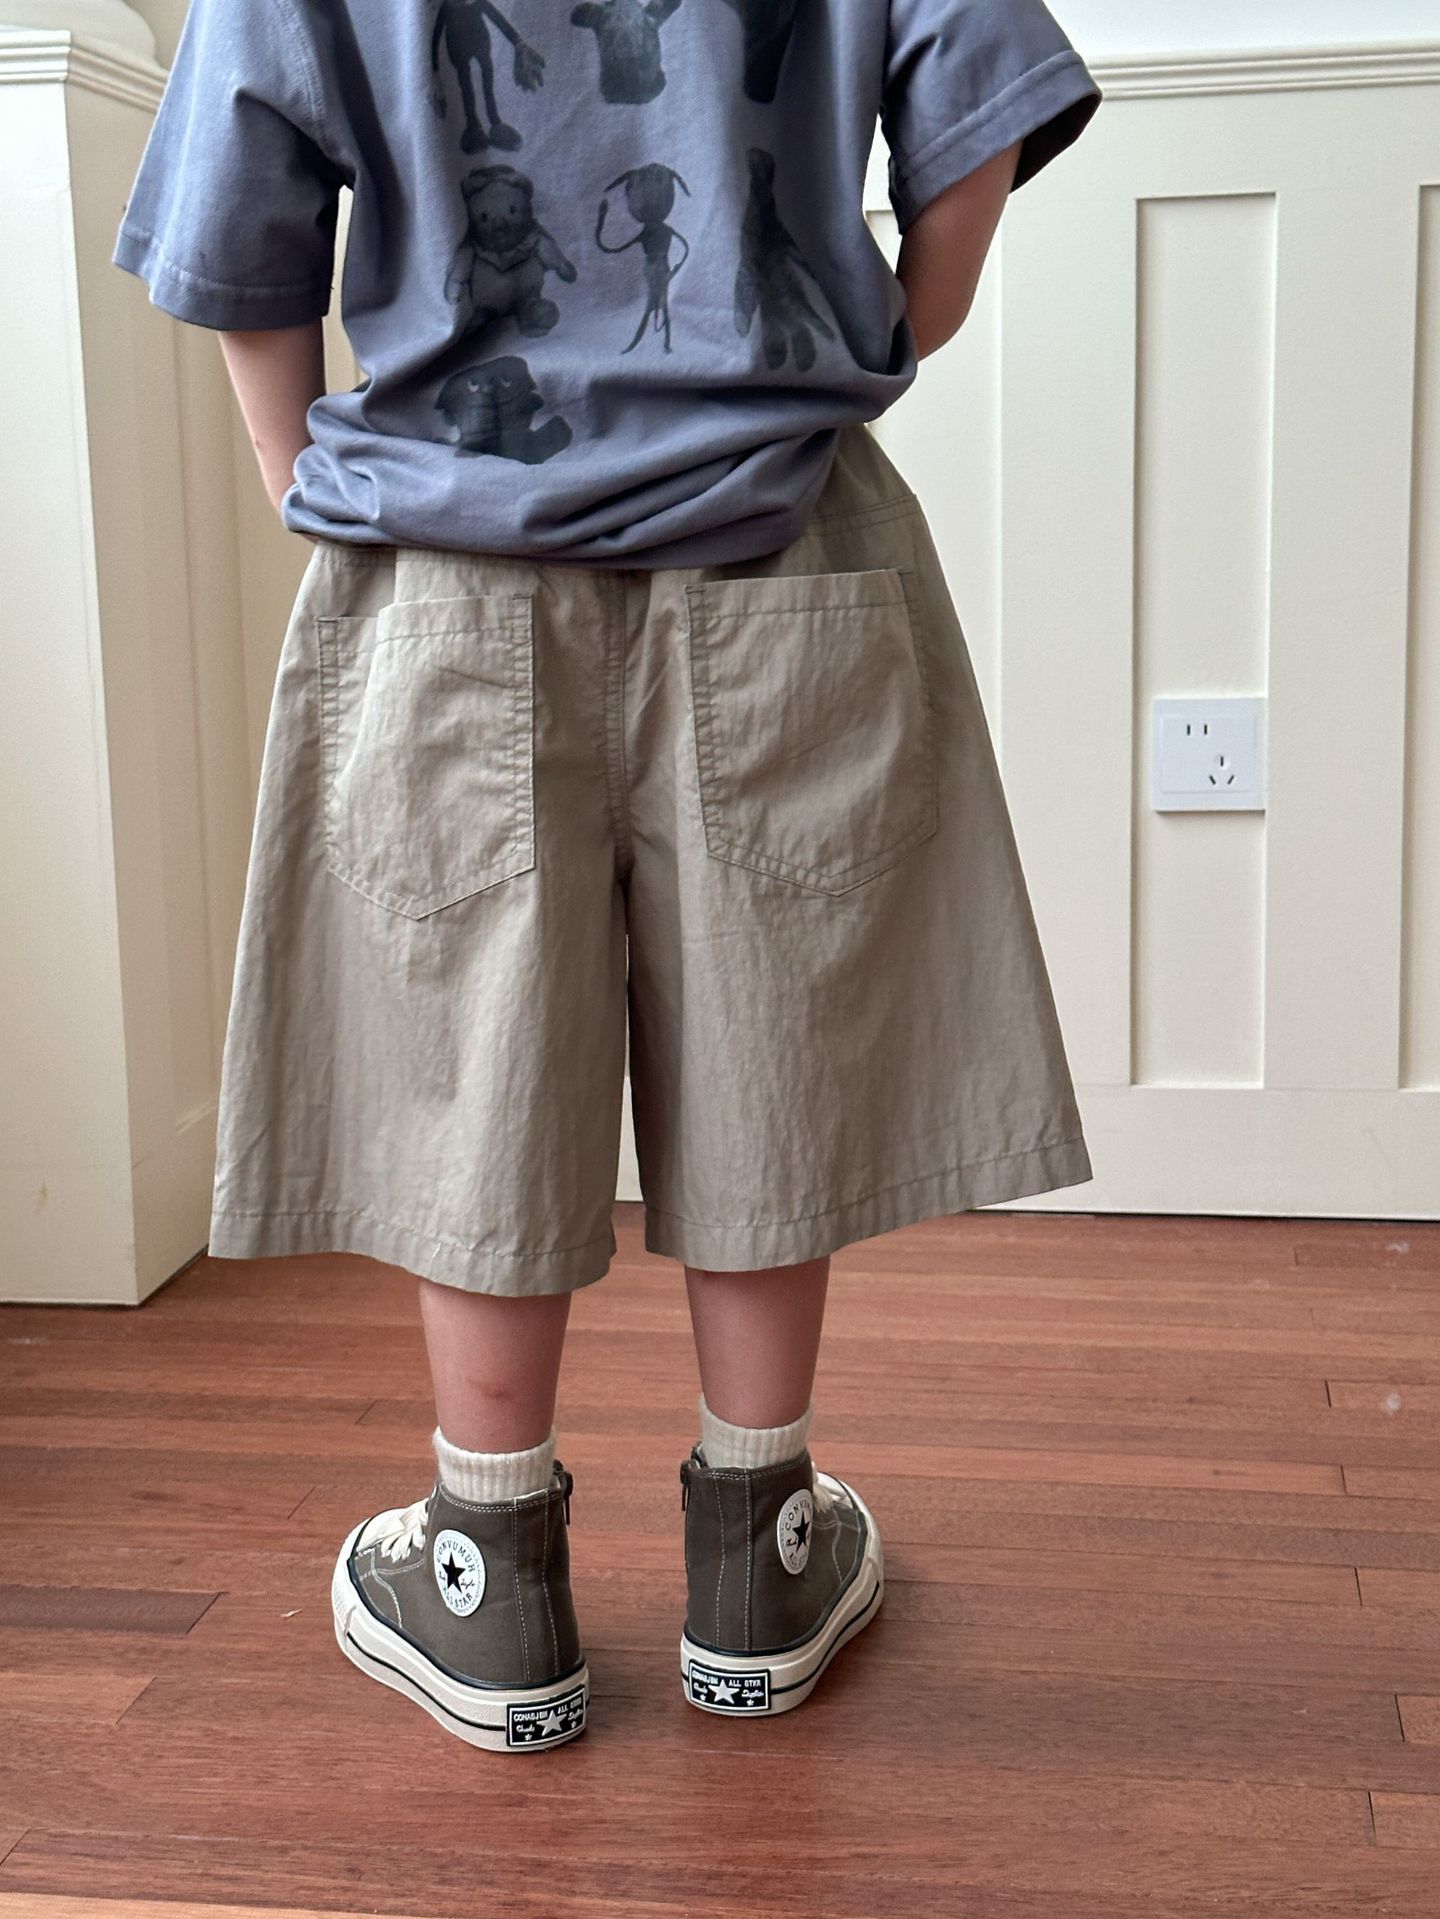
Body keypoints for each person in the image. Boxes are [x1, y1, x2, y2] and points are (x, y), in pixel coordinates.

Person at [112, 0, 1101, 1753]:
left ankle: (489, 1577)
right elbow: (980, 96)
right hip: (777, 526)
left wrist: (297, 470)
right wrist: (892, 323)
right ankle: (762, 1555)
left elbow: (241, 225)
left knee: (476, 1057)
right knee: (769, 1030)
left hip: (446, 550)